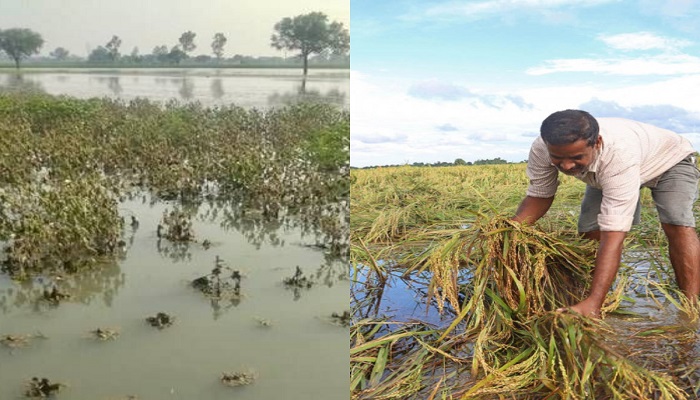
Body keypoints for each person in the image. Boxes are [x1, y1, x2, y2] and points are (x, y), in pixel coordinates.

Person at [513, 109, 700, 317]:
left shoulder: (617, 156)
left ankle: (689, 306)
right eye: (558, 158)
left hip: (669, 161)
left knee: (676, 221)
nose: (566, 166)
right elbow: (539, 195)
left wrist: (594, 303)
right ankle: (598, 295)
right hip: (614, 169)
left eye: (576, 157)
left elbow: (614, 235)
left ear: (597, 143)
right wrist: (509, 231)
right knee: (590, 230)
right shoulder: (542, 148)